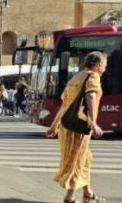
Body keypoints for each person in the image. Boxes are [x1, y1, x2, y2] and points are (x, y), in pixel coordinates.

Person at [46, 51, 107, 203]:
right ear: (97, 65)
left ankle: (87, 192)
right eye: (104, 65)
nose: (105, 68)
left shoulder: (76, 77)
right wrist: (93, 122)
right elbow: (91, 96)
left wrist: (54, 125)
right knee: (77, 159)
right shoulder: (93, 76)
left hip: (67, 125)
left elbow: (65, 103)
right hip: (79, 126)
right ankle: (70, 196)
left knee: (86, 158)